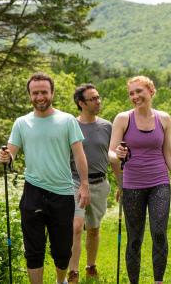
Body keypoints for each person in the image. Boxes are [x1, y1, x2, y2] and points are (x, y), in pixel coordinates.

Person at [0, 72, 90, 284]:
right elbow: (10, 153)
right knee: (33, 249)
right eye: (35, 93)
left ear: (52, 93)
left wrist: (84, 185)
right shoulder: (21, 123)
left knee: (62, 249)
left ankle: (60, 281)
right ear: (30, 95)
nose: (40, 97)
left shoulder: (67, 121)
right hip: (33, 191)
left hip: (63, 193)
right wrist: (4, 156)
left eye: (44, 92)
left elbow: (79, 154)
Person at [108, 75, 171, 284]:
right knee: (135, 237)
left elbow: (169, 154)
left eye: (139, 91)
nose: (135, 96)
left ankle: (158, 281)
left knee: (159, 232)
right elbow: (110, 153)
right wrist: (117, 155)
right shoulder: (123, 119)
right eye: (131, 93)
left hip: (159, 184)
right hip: (132, 185)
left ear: (151, 92)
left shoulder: (163, 119)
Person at [67, 84, 121, 283]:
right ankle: (73, 272)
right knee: (76, 226)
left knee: (94, 228)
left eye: (99, 97)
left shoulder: (107, 126)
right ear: (81, 103)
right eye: (93, 99)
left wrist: (121, 184)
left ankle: (91, 266)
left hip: (100, 182)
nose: (98, 101)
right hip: (75, 182)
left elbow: (113, 157)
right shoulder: (70, 125)